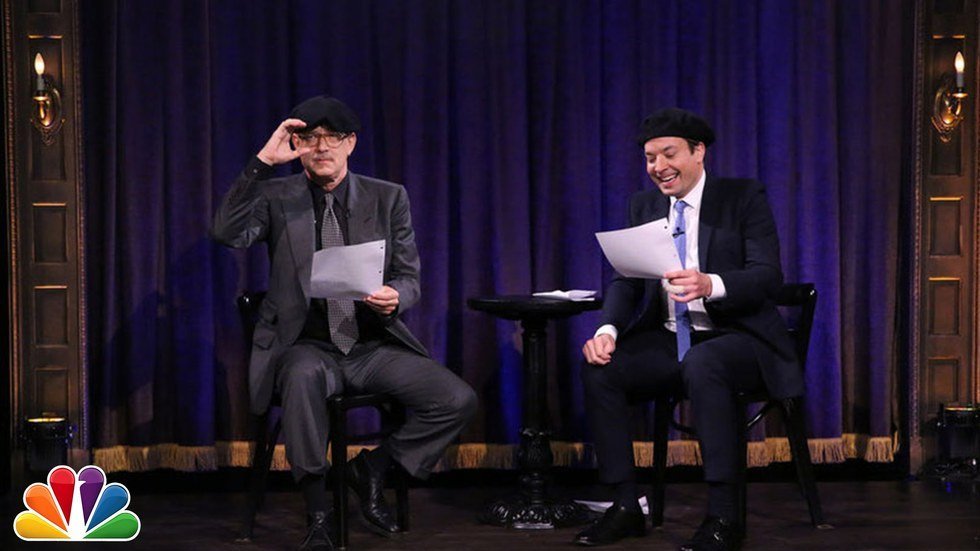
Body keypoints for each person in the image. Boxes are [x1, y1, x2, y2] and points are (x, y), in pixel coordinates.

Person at [211, 95, 478, 551]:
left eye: (331, 137)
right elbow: (225, 233)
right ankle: (318, 514)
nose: (321, 147)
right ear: (297, 145)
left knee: (456, 399)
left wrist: (396, 297)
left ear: (350, 143)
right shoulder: (277, 197)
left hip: (370, 346)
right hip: (305, 345)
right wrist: (262, 162)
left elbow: (409, 278)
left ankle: (371, 469)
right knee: (302, 377)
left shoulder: (387, 197)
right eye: (309, 138)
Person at [575, 108, 802, 551]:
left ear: (699, 152)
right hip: (670, 336)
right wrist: (607, 330)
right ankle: (625, 505)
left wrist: (710, 284)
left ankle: (724, 516)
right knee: (602, 368)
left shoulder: (742, 198)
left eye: (669, 153)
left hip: (739, 337)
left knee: (704, 362)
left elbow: (767, 276)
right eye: (650, 158)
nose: (658, 166)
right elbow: (627, 280)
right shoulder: (643, 206)